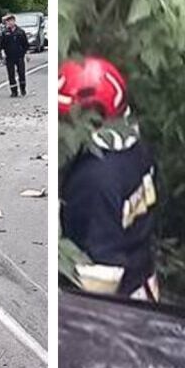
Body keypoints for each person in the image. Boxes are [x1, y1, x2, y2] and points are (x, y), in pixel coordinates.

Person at [58, 56, 159, 300]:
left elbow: (100, 276)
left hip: (115, 311)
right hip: (143, 282)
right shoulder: (134, 149)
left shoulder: (94, 180)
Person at [0, 14, 31, 96]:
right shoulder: (5, 32)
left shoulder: (20, 32)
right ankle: (14, 91)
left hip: (19, 55)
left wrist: (27, 54)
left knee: (21, 73)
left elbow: (25, 44)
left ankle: (23, 89)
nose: (9, 23)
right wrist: (2, 53)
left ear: (14, 21)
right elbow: (2, 45)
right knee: (11, 74)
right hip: (9, 56)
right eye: (7, 21)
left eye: (10, 21)